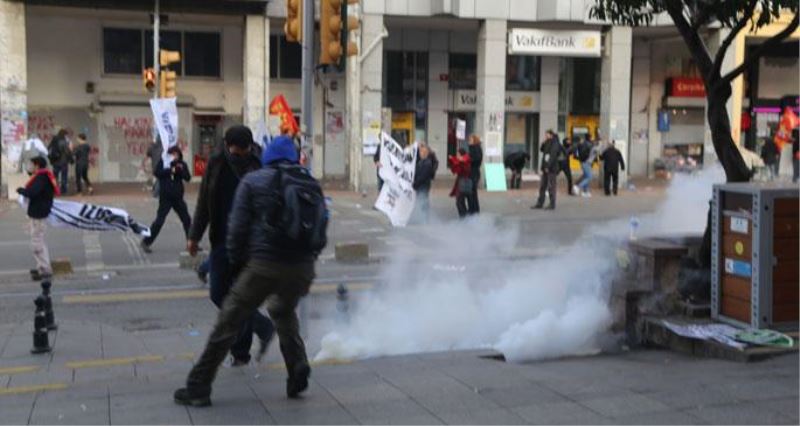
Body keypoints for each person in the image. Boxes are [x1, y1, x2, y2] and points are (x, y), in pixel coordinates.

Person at [174, 136, 327, 407]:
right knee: (282, 311)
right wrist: (308, 260)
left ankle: (198, 385)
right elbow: (322, 226)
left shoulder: (254, 181)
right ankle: (297, 370)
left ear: (267, 156)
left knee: (229, 319)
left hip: (265, 264)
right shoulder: (309, 182)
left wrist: (236, 263)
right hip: (302, 268)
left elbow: (236, 229)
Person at [189, 125, 275, 366]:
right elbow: (204, 201)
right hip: (221, 239)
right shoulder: (216, 163)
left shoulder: (260, 164)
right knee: (218, 293)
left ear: (250, 148)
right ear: (226, 146)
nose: (236, 156)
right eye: (233, 151)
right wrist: (194, 235)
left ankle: (240, 352)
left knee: (240, 293)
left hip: (249, 242)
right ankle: (263, 325)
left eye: (241, 152)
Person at [141, 146, 192, 253]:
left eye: (176, 154)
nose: (174, 156)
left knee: (187, 220)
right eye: (172, 154)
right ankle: (146, 241)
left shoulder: (182, 164)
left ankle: (191, 243)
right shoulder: (164, 163)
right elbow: (157, 173)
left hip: (178, 197)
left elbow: (188, 177)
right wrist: (170, 170)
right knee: (159, 221)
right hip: (166, 198)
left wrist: (180, 170)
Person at [17, 156, 59, 281]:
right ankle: (41, 266)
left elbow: (32, 192)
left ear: (36, 165)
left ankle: (45, 269)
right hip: (38, 212)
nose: (29, 167)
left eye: (31, 164)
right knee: (36, 241)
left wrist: (21, 190)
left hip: (39, 213)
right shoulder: (43, 176)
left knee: (37, 243)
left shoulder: (41, 178)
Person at [533, 130, 565, 210]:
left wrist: (548, 166)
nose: (545, 136)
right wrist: (543, 143)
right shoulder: (547, 142)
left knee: (551, 186)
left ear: (551, 135)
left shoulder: (555, 144)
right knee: (543, 186)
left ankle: (552, 204)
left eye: (546, 135)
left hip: (551, 168)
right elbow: (542, 150)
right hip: (545, 168)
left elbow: (553, 156)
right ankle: (540, 203)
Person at [412, 143, 435, 224]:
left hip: (423, 186)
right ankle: (422, 218)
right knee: (421, 201)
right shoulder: (422, 162)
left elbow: (423, 176)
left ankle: (425, 219)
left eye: (421, 152)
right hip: (420, 185)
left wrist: (415, 183)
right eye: (420, 152)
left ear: (425, 153)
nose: (420, 154)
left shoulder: (427, 163)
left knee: (423, 201)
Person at [448, 148, 472, 218]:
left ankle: (464, 217)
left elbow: (461, 167)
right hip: (461, 181)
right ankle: (464, 216)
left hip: (463, 182)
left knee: (460, 201)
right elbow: (455, 169)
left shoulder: (465, 160)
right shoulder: (463, 160)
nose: (457, 155)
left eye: (458, 154)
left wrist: (453, 159)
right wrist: (452, 160)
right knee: (460, 201)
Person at [48, 129, 72, 195]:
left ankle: (54, 190)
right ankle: (63, 191)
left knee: (55, 176)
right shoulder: (64, 141)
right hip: (63, 161)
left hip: (55, 161)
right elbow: (67, 152)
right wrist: (71, 159)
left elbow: (49, 148)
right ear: (64, 134)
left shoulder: (54, 139)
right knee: (64, 176)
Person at [467, 134, 483, 214]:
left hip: (474, 172)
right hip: (473, 172)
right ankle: (474, 209)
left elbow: (477, 159)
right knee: (472, 192)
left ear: (474, 140)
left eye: (470, 139)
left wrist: (468, 160)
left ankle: (474, 210)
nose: (468, 141)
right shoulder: (473, 148)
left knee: (472, 192)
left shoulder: (475, 148)